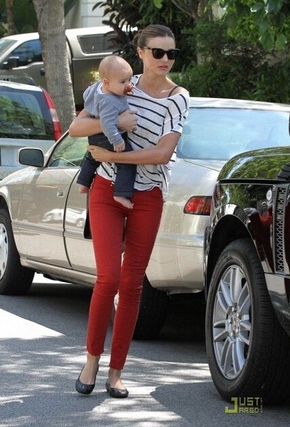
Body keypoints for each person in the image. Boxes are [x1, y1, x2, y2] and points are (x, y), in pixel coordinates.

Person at [69, 24, 190, 398]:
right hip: (105, 189)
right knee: (108, 277)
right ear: (141, 52)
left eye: (171, 53)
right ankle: (91, 360)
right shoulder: (120, 82)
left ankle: (116, 371)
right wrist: (116, 125)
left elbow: (162, 154)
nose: (165, 60)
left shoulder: (178, 98)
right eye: (158, 52)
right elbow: (76, 127)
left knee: (132, 284)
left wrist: (110, 152)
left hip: (149, 194)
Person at [77, 55, 136, 209]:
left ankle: (83, 183)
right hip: (108, 137)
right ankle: (120, 193)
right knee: (126, 163)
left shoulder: (96, 89)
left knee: (92, 158)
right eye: (122, 82)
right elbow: (107, 124)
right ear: (106, 82)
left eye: (129, 80)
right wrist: (117, 140)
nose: (128, 85)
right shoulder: (110, 101)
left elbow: (87, 96)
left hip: (94, 137)